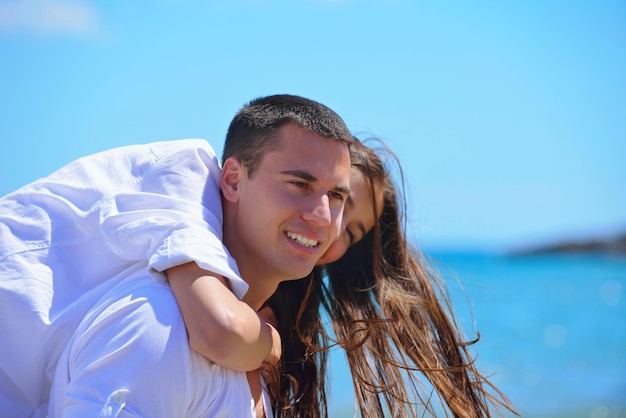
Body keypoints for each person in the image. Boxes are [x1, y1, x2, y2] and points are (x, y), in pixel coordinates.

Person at [0, 94, 354, 417]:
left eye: (336, 196)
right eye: (299, 185)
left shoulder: (244, 358)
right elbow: (217, 331)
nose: (322, 216)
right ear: (232, 180)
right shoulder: (160, 320)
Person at [264, 137, 518, 417]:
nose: (333, 227)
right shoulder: (213, 246)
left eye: (351, 234)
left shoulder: (289, 326)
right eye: (338, 201)